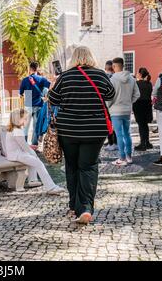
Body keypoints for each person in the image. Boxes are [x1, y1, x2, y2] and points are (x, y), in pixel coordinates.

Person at [48, 46, 115, 224]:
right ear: (91, 57)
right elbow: (110, 94)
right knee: (88, 167)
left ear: (74, 59)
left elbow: (53, 99)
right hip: (94, 129)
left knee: (72, 166)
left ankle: (73, 205)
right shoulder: (100, 75)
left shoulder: (65, 76)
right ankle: (85, 207)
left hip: (68, 129)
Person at [6, 108, 65, 195]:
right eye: (25, 118)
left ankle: (32, 179)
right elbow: (25, 148)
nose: (27, 120)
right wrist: (33, 153)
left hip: (15, 153)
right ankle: (51, 187)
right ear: (18, 119)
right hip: (16, 155)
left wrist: (30, 147)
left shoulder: (13, 130)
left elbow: (20, 145)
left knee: (33, 159)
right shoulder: (18, 131)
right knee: (38, 163)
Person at [107, 57, 140, 166]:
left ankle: (121, 158)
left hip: (116, 111)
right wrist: (129, 102)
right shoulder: (131, 78)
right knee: (127, 134)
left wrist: (108, 106)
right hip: (127, 110)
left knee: (119, 134)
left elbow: (109, 97)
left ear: (114, 66)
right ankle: (129, 157)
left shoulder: (112, 79)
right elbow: (137, 94)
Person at [19, 61, 51, 149]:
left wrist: (27, 93)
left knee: (26, 126)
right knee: (36, 126)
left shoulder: (25, 80)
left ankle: (25, 144)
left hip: (28, 101)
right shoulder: (42, 79)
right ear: (37, 69)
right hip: (39, 103)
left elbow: (21, 93)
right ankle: (34, 144)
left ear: (30, 69)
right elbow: (49, 87)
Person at [132, 67, 153, 151]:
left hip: (139, 105)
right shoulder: (149, 83)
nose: (136, 74)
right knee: (145, 124)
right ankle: (147, 142)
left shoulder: (136, 83)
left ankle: (142, 143)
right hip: (147, 104)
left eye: (137, 73)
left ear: (140, 74)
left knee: (141, 125)